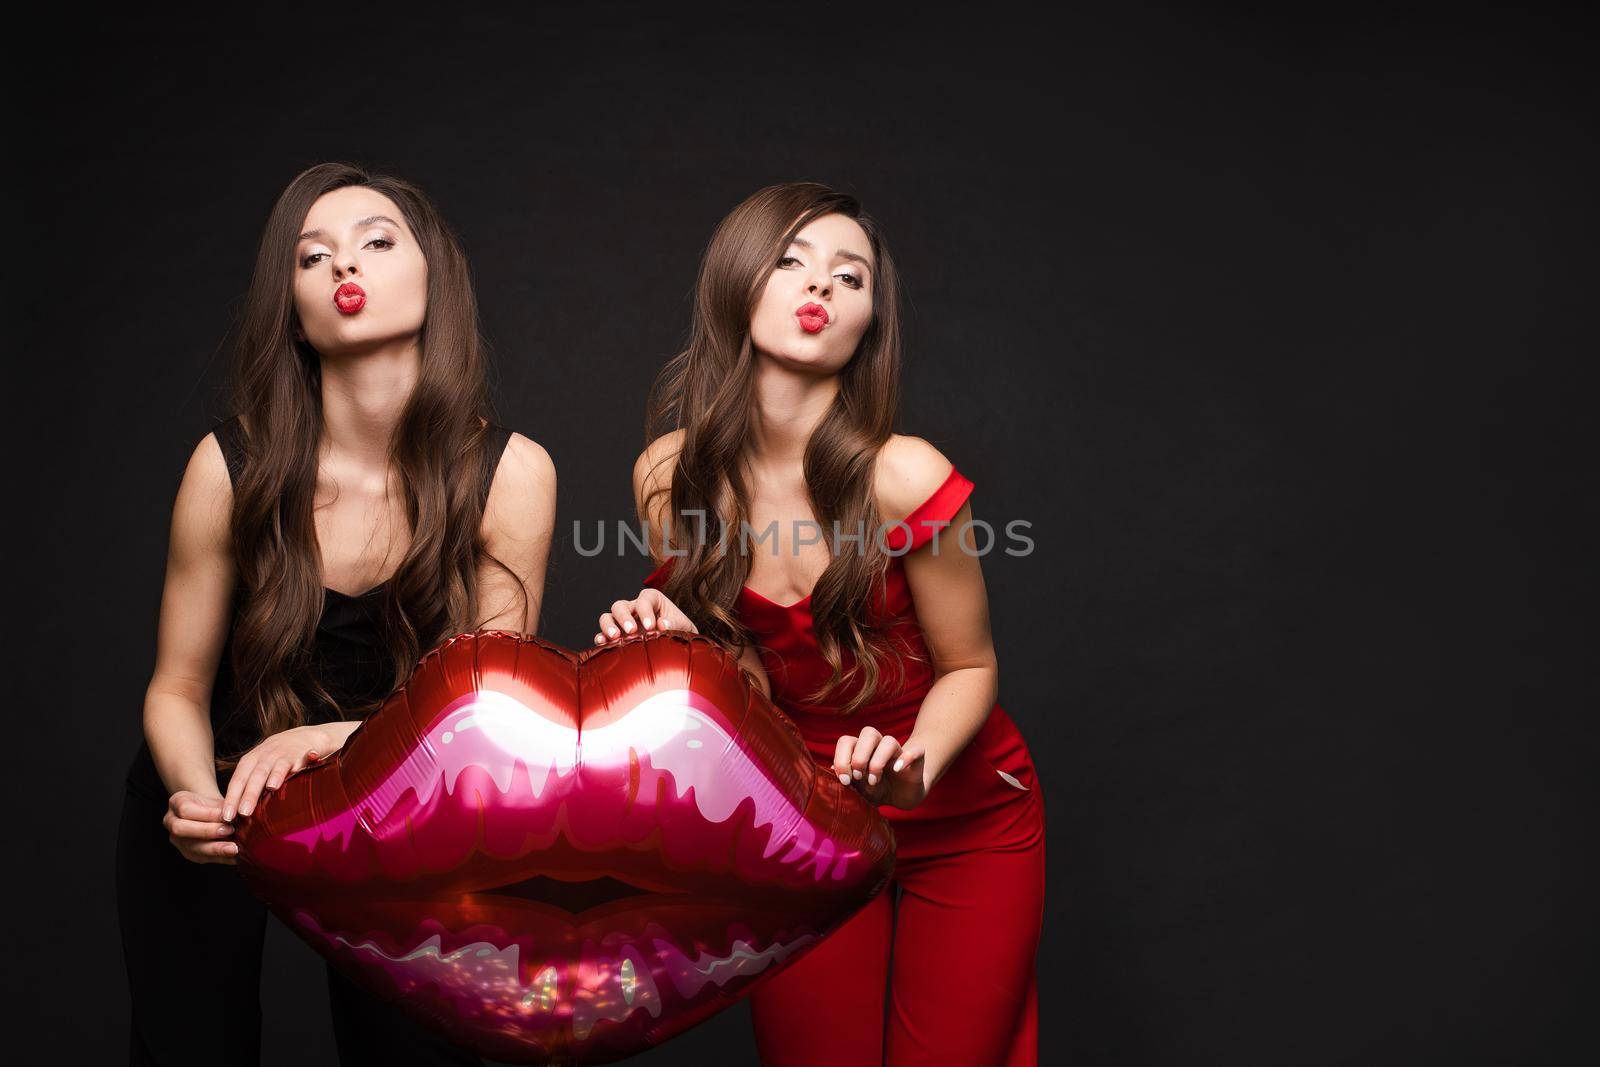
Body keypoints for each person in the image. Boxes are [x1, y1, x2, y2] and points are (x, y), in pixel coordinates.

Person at [114, 162, 556, 1066]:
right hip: (219, 789)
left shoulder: (510, 474)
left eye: (376, 240)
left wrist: (329, 741)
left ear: (436, 274)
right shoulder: (226, 465)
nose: (342, 265)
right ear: (295, 306)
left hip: (405, 815)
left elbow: (490, 719)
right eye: (311, 257)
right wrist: (196, 797)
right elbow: (176, 685)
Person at [594, 181, 1046, 1065]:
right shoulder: (668, 477)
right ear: (737, 283)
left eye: (851, 277)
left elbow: (971, 668)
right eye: (792, 261)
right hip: (805, 817)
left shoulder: (905, 475)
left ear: (869, 322)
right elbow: (751, 688)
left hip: (964, 815)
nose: (821, 288)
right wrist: (684, 652)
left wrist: (914, 769)